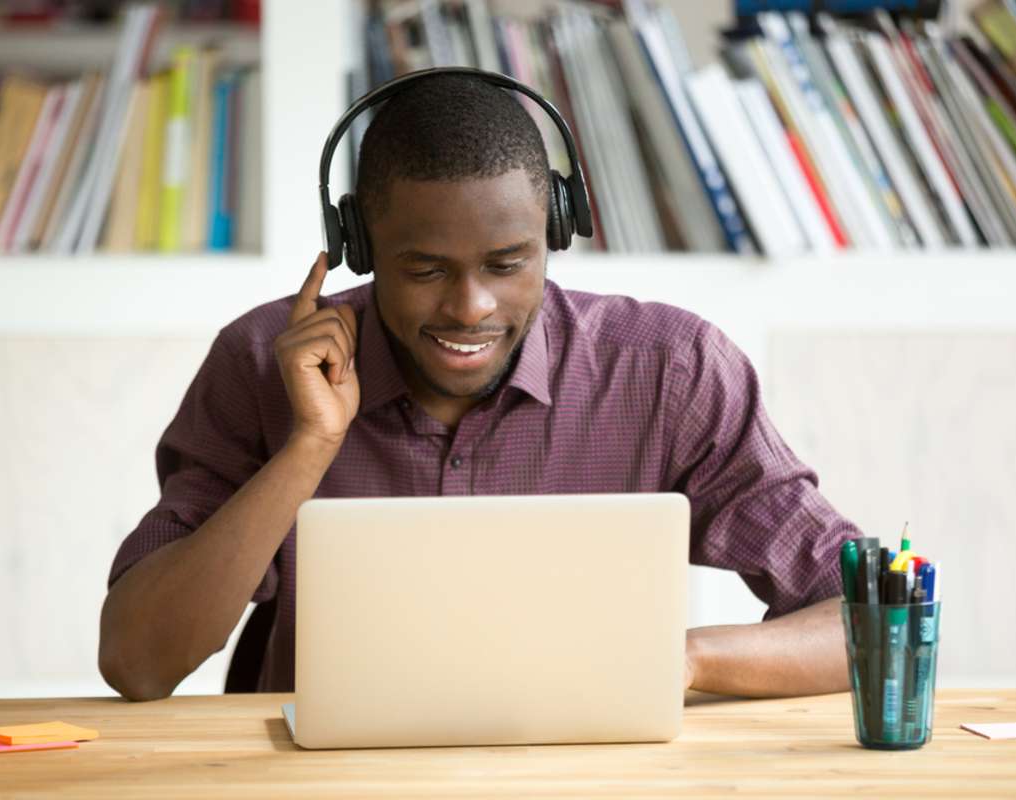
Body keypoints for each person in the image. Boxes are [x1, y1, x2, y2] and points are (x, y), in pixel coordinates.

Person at [99, 72, 860, 702]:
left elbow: (868, 621)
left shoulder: (669, 369)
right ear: (359, 245)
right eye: (425, 269)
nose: (470, 307)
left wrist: (686, 660)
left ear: (556, 230)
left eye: (507, 264)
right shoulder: (263, 360)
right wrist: (310, 446)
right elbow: (138, 662)